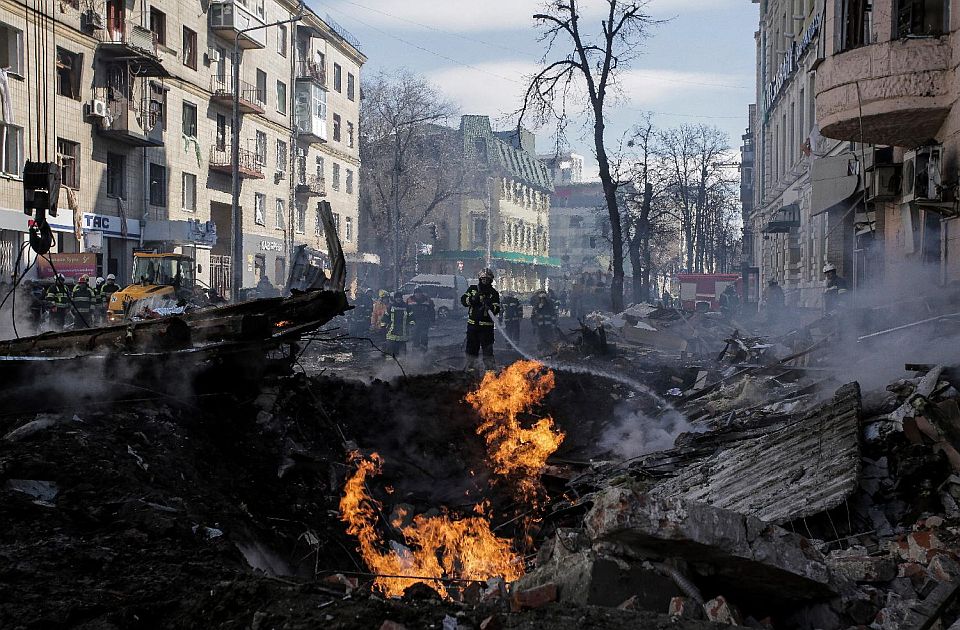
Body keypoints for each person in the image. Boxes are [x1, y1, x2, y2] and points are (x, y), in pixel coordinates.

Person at [460, 267, 501, 371]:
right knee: (471, 348)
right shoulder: (473, 289)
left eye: (487, 279)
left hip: (486, 328)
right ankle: (471, 369)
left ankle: (490, 371)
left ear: (491, 280)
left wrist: (490, 307)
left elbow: (497, 308)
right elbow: (463, 301)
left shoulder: (494, 293)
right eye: (483, 279)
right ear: (480, 279)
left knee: (487, 350)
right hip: (473, 326)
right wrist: (473, 299)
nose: (485, 281)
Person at [380, 291, 415, 357]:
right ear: (395, 299)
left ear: (402, 298)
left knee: (402, 353)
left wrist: (411, 325)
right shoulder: (390, 307)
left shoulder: (407, 307)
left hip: (403, 334)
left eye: (399, 297)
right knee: (390, 351)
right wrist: (383, 327)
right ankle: (389, 365)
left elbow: (412, 318)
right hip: (392, 333)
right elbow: (385, 317)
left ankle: (401, 365)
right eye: (397, 297)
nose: (398, 299)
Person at [407, 287, 436, 352]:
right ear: (414, 294)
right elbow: (406, 310)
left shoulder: (427, 300)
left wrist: (432, 320)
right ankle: (415, 350)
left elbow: (432, 311)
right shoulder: (410, 300)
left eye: (419, 293)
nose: (418, 295)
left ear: (421, 293)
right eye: (416, 293)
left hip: (425, 321)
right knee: (415, 335)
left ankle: (424, 349)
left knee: (424, 335)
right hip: (414, 321)